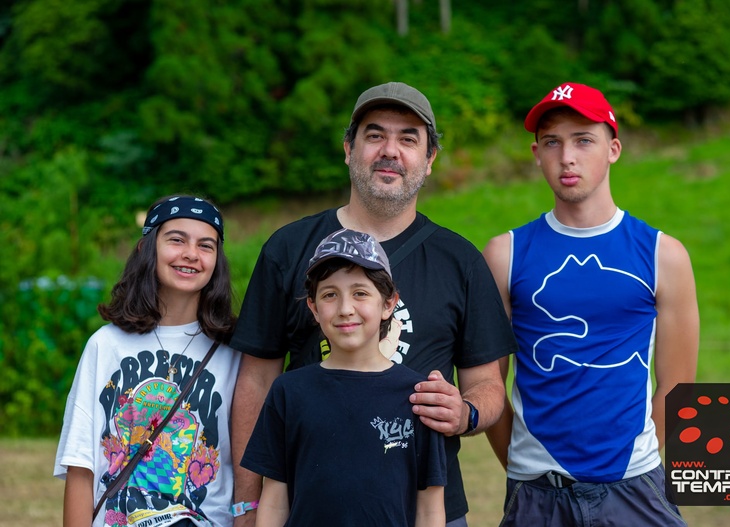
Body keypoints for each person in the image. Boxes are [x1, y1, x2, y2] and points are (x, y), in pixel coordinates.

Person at [229, 82, 517, 526]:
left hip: (425, 507)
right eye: (375, 135)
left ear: (429, 159)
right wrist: (247, 505)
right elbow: (256, 383)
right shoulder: (288, 249)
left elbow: (489, 385)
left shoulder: (459, 261)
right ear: (348, 148)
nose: (390, 151)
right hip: (306, 507)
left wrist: (466, 412)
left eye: (408, 139)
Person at [483, 82, 699, 526]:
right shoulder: (504, 254)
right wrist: (527, 469)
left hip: (637, 490)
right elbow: (489, 388)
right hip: (535, 493)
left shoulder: (664, 255)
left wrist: (632, 464)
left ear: (613, 148)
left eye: (584, 140)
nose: (567, 157)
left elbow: (677, 390)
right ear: (536, 153)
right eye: (552, 142)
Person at [54, 195, 241, 527]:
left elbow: (245, 468)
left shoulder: (235, 353)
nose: (191, 254)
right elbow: (81, 465)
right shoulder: (105, 345)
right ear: (147, 248)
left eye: (206, 245)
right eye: (176, 240)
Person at [241, 228, 447, 527]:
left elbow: (429, 508)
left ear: (388, 304)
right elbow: (274, 500)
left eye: (360, 293)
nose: (345, 309)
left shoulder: (418, 396)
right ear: (313, 307)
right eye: (330, 295)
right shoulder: (289, 391)